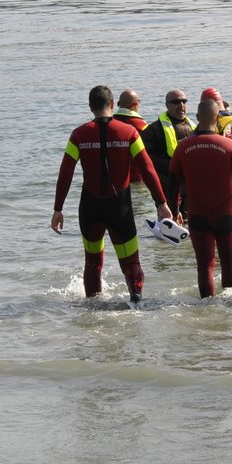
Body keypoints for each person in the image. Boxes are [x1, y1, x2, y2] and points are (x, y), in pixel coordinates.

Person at [52, 84, 173, 304]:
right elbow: (147, 169)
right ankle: (136, 300)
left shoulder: (78, 135)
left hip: (90, 208)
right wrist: (161, 203)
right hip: (120, 208)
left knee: (92, 263)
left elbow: (65, 174)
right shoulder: (129, 133)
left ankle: (93, 309)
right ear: (111, 104)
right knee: (131, 262)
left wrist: (58, 209)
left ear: (90, 107)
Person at [168, 98, 232, 297]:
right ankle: (230, 305)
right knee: (229, 260)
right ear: (217, 117)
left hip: (197, 215)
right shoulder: (229, 145)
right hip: (226, 214)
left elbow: (172, 185)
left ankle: (206, 308)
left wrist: (174, 211)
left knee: (205, 265)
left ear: (197, 117)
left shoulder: (182, 147)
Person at [142, 88, 193, 211]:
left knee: (188, 221)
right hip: (167, 183)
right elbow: (144, 157)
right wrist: (170, 166)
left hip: (189, 183)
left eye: (184, 101)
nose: (181, 105)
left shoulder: (194, 127)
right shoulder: (154, 129)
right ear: (167, 105)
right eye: (176, 102)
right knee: (169, 222)